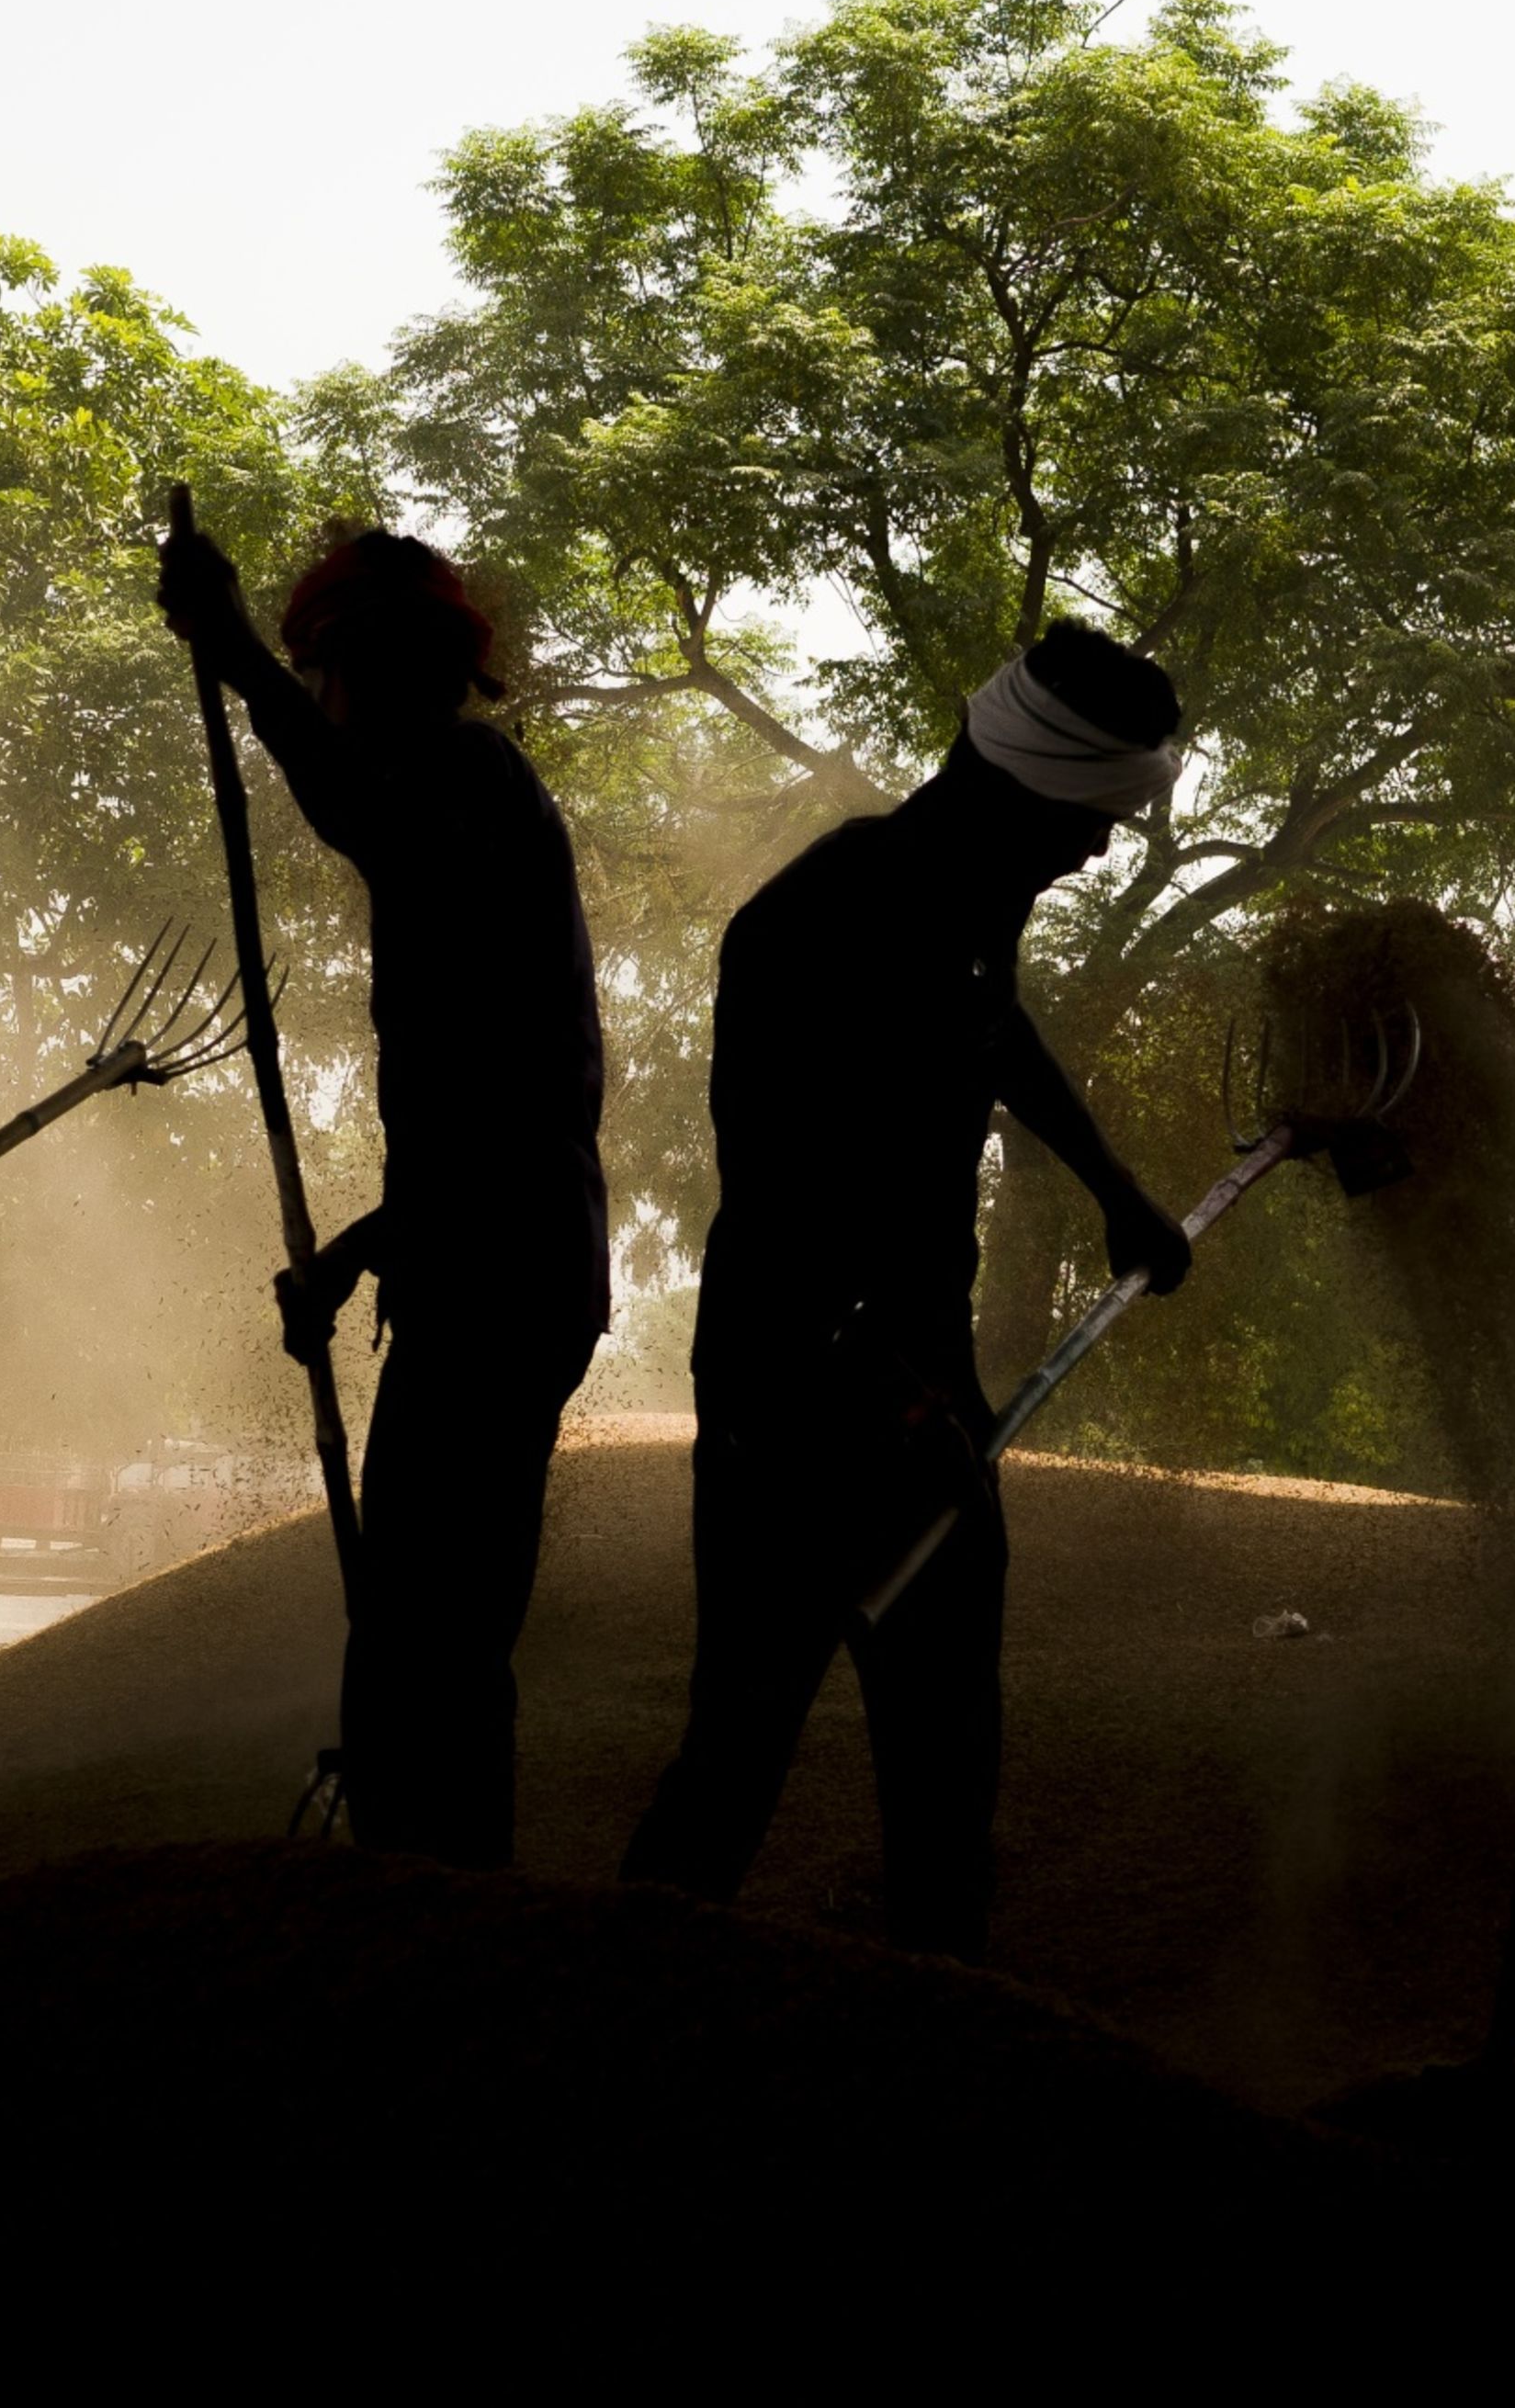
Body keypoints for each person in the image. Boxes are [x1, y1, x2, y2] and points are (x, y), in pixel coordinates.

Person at [620, 622, 1194, 1960]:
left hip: (908, 1380)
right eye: (1087, 819)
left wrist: (1114, 1190)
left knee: (942, 1739)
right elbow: (779, 1199)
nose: (1095, 850)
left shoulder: (963, 897)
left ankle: (938, 2031)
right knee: (746, 1730)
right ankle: (611, 2009)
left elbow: (992, 1029)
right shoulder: (819, 920)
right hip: (800, 1384)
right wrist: (883, 1380)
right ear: (1019, 786)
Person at [157, 521, 607, 1871]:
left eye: (324, 674)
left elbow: (508, 1124)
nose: (329, 706)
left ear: (362, 670)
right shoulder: (459, 805)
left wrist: (234, 657)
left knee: (431, 1634)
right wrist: (359, 1248)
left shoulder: (460, 793)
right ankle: (427, 1882)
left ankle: (435, 1902)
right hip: (493, 1259)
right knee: (422, 1627)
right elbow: (483, 1118)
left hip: (502, 1276)